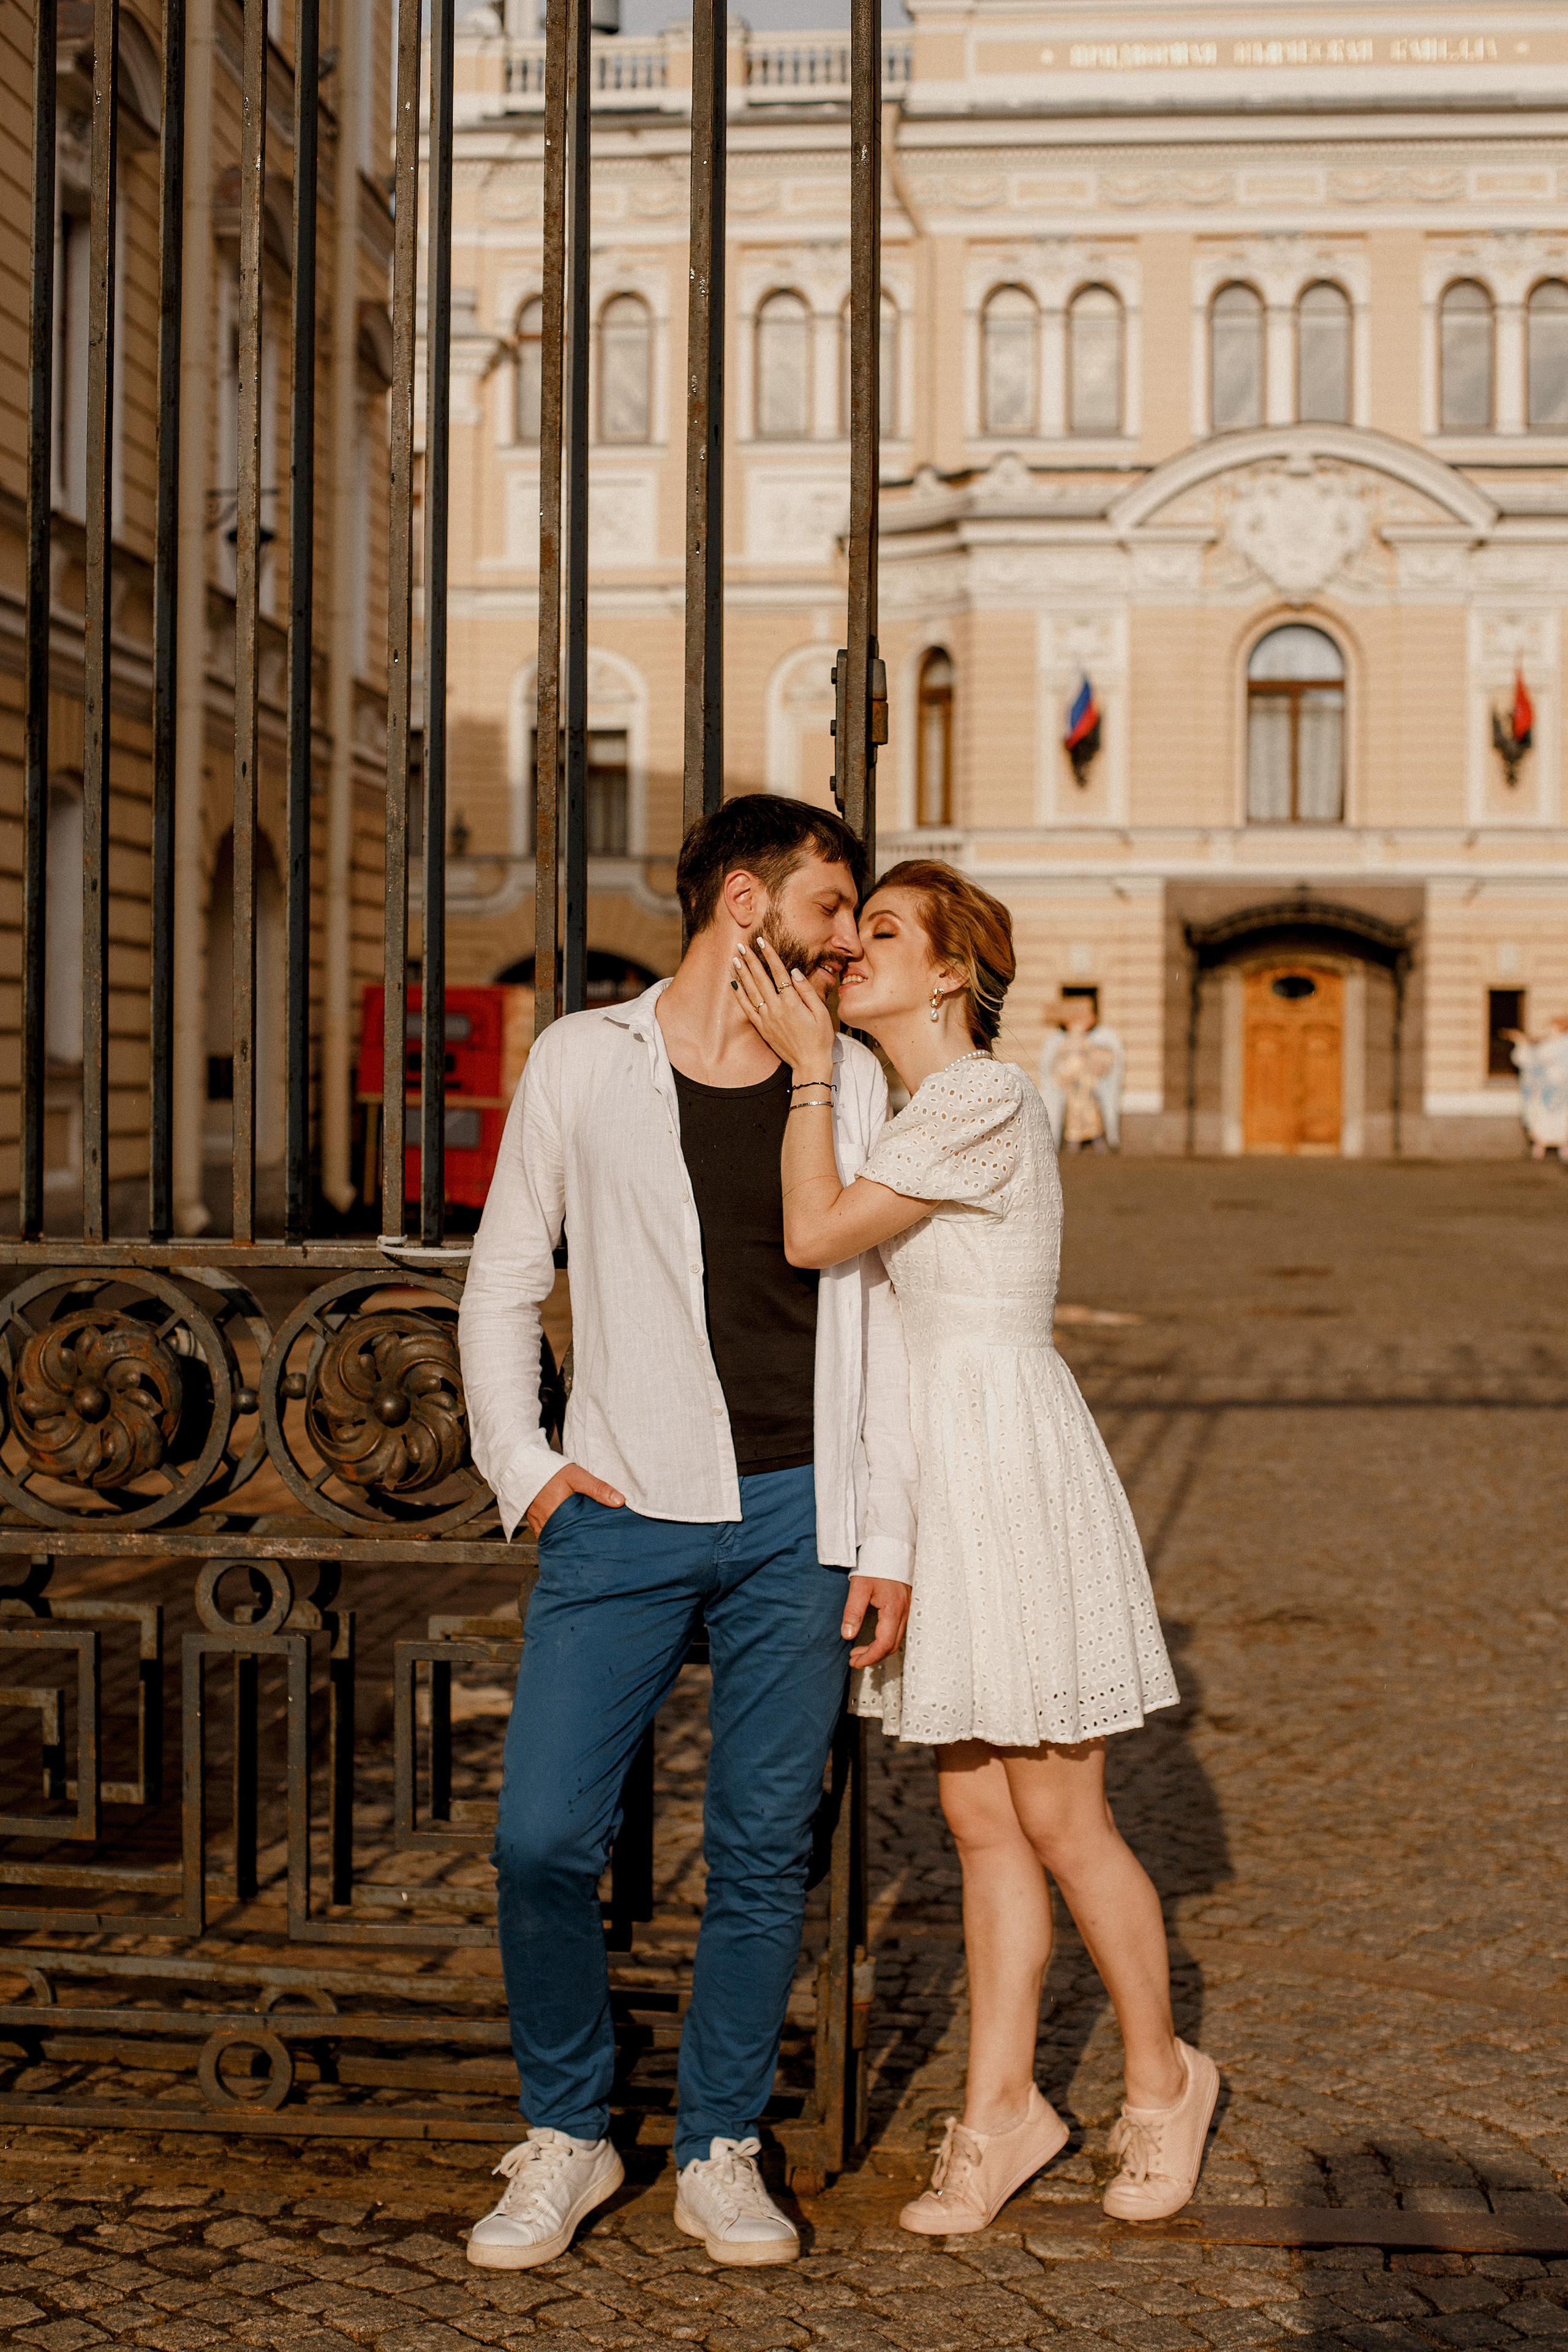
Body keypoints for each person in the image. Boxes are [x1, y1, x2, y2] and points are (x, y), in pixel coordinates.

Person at [458, 795, 917, 2272]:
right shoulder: (581, 1057)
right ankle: (568, 2128)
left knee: (761, 1847)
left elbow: (891, 1317)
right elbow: (501, 1277)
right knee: (541, 1837)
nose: (846, 939)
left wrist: (886, 1532)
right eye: (829, 906)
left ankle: (720, 2140)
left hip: (803, 1512)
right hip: (620, 1505)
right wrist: (526, 1467)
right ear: (742, 902)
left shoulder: (852, 1081)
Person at [731, 860, 1217, 2234]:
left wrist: (807, 1072)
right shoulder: (907, 1108)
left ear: (950, 972)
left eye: (882, 931)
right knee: (977, 1818)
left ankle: (1163, 2081)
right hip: (938, 1468)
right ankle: (1003, 2112)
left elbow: (815, 1234)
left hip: (1008, 1454)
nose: (851, 949)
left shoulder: (984, 1097)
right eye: (852, 929)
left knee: (1062, 1816)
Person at [1038, 993, 1125, 1153]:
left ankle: (1103, 1145)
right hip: (1073, 1094)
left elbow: (1100, 1064)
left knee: (1093, 1120)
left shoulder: (1091, 1044)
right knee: (1074, 1123)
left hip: (1088, 1091)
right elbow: (1058, 1070)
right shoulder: (1061, 1045)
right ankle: (1073, 1148)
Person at [1506, 1014, 1568, 1160]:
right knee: (1542, 1118)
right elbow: (1529, 1060)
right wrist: (1522, 1043)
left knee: (1562, 1120)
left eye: (1552, 1027)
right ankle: (1540, 1147)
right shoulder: (1547, 1044)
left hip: (1561, 1092)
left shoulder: (1562, 1045)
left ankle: (1563, 1148)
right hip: (1546, 1090)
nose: (1549, 1030)